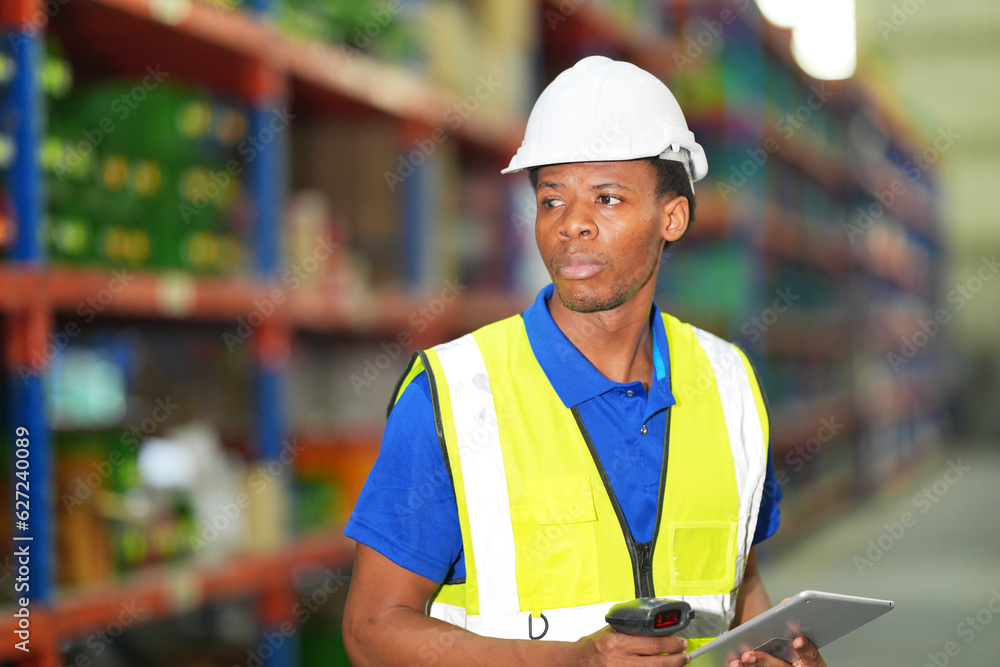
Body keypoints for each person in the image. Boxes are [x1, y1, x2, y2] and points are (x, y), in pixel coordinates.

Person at [342, 55, 827, 667]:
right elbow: (370, 630)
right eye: (551, 201)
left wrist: (780, 651)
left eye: (607, 198)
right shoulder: (457, 395)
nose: (573, 225)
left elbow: (738, 582)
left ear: (671, 217)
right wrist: (571, 662)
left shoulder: (727, 381)